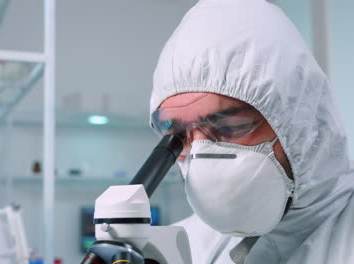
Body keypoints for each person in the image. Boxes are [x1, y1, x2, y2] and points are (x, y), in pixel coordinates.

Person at [149, 0, 354, 263]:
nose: (200, 155)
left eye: (230, 127)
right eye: (178, 136)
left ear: (301, 123)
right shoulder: (182, 249)